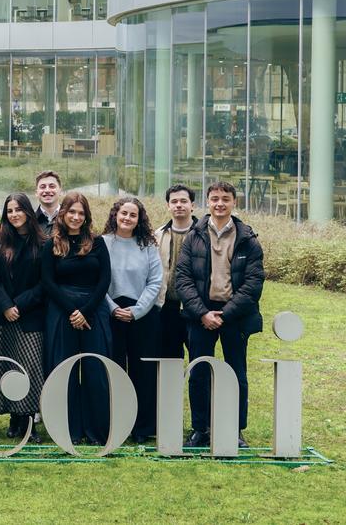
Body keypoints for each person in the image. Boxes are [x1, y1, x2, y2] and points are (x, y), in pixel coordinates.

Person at [175, 181, 265, 449]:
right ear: (207, 202)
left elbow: (254, 283)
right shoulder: (194, 235)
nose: (219, 203)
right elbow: (183, 278)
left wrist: (224, 315)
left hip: (234, 317)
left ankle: (234, 429)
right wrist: (203, 314)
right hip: (200, 316)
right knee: (199, 373)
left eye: (225, 199)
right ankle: (200, 429)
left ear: (233, 202)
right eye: (214, 198)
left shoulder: (247, 238)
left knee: (236, 374)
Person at [41, 191, 111, 445]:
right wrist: (72, 311)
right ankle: (68, 430)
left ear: (86, 216)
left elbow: (105, 281)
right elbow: (48, 282)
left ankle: (96, 431)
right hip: (62, 313)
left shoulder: (98, 242)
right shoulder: (51, 244)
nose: (76, 217)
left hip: (94, 311)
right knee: (64, 371)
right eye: (72, 212)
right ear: (63, 214)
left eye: (81, 213)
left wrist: (86, 311)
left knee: (96, 371)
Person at [0, 192, 48, 440]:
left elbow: (46, 282)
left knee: (29, 368)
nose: (14, 215)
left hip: (31, 315)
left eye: (19, 209)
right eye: (9, 211)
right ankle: (13, 418)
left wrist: (19, 304)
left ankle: (28, 420)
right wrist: (6, 305)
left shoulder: (43, 242)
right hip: (0, 314)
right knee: (6, 365)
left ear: (28, 212)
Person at [101, 196, 162, 443]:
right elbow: (97, 281)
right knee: (113, 371)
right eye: (123, 213)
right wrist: (113, 308)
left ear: (139, 220)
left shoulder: (148, 245)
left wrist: (137, 310)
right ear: (115, 215)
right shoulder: (102, 243)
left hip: (142, 315)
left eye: (133, 215)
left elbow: (155, 281)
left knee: (143, 373)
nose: (127, 218)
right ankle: (115, 423)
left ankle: (142, 427)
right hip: (111, 314)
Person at [155, 184, 197, 359]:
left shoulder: (203, 234)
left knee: (199, 358)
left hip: (195, 306)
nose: (178, 205)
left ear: (192, 205)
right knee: (170, 358)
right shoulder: (158, 235)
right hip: (167, 306)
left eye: (183, 201)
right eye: (174, 201)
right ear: (168, 206)